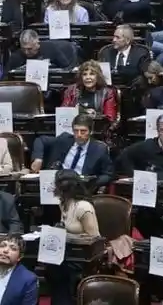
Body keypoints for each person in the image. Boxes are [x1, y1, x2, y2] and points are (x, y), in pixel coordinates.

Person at [50, 169, 100, 305]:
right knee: (50, 264)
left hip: (84, 255)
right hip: (68, 251)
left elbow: (94, 239)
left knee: (59, 270)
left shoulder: (83, 207)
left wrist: (68, 237)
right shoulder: (63, 203)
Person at [31, 113, 113, 188]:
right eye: (76, 131)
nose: (79, 135)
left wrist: (92, 181)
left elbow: (108, 175)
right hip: (57, 186)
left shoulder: (99, 149)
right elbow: (41, 140)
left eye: (83, 131)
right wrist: (38, 158)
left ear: (90, 132)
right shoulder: (64, 139)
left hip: (80, 188)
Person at [0, 235, 38, 305]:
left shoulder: (28, 279)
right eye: (2, 246)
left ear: (19, 257)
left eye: (13, 248)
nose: (5, 250)